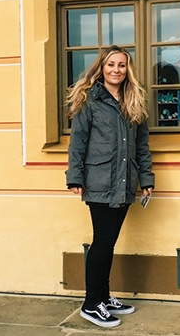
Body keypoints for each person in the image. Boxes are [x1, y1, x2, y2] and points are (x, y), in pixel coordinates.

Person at [65, 45, 155, 328]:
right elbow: (77, 141)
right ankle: (91, 304)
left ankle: (102, 297)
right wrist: (75, 176)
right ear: (101, 67)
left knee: (108, 242)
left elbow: (141, 146)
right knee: (102, 241)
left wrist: (147, 180)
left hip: (125, 181)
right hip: (100, 180)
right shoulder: (89, 99)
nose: (116, 70)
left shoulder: (134, 101)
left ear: (128, 69)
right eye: (111, 64)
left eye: (122, 65)